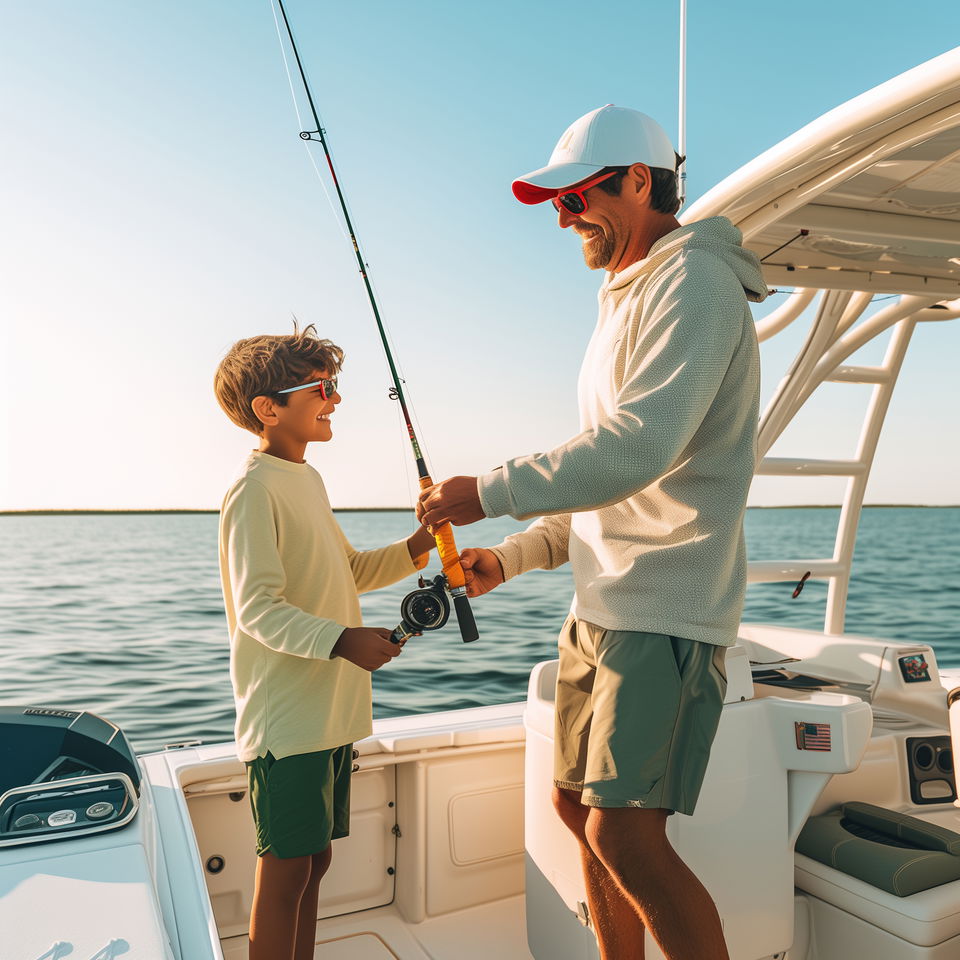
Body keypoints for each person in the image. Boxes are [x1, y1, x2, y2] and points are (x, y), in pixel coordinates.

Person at [417, 105, 767, 960]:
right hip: (603, 608)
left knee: (625, 837)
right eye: (555, 204)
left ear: (638, 182)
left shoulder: (694, 283)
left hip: (663, 609)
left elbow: (638, 449)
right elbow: (604, 486)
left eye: (576, 197)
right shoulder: (626, 296)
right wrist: (515, 553)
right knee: (579, 812)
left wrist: (487, 491)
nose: (563, 217)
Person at [214, 326, 434, 960]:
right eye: (321, 388)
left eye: (333, 386)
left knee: (316, 863)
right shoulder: (252, 490)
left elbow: (352, 572)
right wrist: (341, 640)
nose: (333, 399)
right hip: (287, 721)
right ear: (268, 408)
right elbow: (258, 608)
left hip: (330, 715)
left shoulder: (304, 480)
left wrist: (420, 541)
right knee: (283, 874)